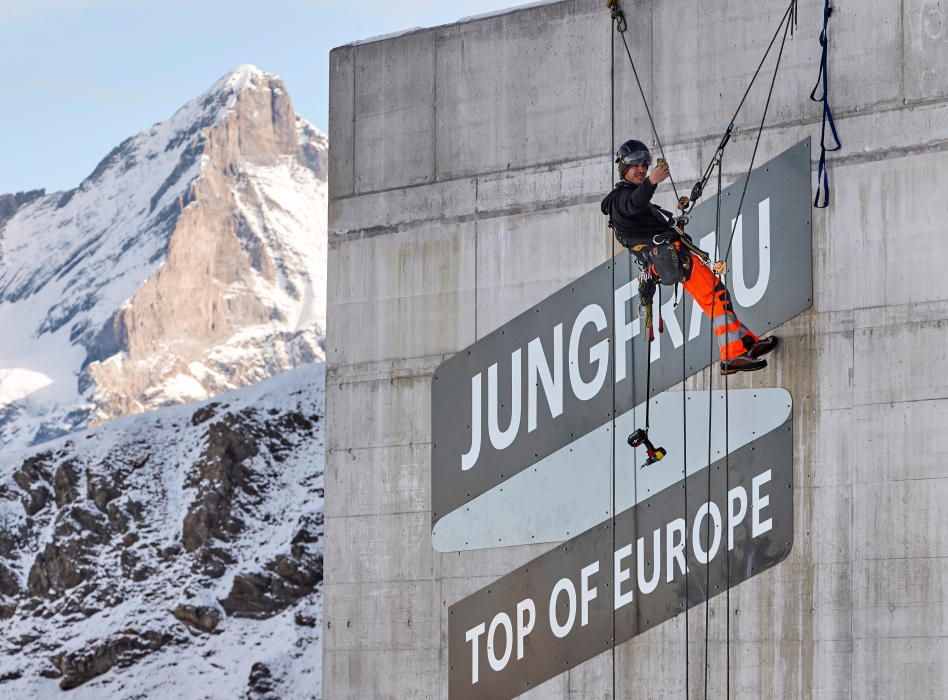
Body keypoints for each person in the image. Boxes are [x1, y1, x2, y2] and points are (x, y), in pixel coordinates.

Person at [601, 139, 777, 374]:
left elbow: (641, 210)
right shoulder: (619, 199)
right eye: (635, 165)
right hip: (670, 257)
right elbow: (633, 205)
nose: (642, 168)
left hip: (672, 256)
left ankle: (746, 343)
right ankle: (732, 355)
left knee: (717, 296)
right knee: (715, 297)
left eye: (644, 164)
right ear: (623, 169)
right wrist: (653, 180)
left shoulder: (630, 199)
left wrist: (673, 219)